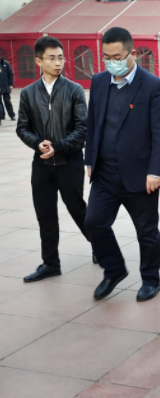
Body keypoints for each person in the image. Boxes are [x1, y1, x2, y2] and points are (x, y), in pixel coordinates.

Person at [84, 27, 160, 302]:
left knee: (146, 232)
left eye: (118, 57)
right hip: (105, 172)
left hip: (140, 175)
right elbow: (93, 122)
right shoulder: (100, 81)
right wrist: (89, 159)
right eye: (106, 57)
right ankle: (114, 270)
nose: (112, 62)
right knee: (94, 222)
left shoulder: (154, 86)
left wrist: (156, 171)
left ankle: (150, 279)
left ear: (132, 53)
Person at [17, 36, 89, 282]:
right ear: (39, 61)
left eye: (61, 57)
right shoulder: (28, 93)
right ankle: (50, 263)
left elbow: (82, 128)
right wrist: (38, 143)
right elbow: (22, 127)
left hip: (70, 162)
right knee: (45, 214)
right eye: (52, 58)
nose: (58, 63)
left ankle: (101, 247)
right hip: (42, 165)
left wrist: (57, 147)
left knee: (78, 209)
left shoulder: (74, 90)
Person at [0, 56, 15, 124]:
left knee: (7, 101)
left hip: (5, 86)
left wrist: (10, 84)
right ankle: (2, 115)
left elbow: (10, 74)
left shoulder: (5, 64)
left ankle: (12, 115)